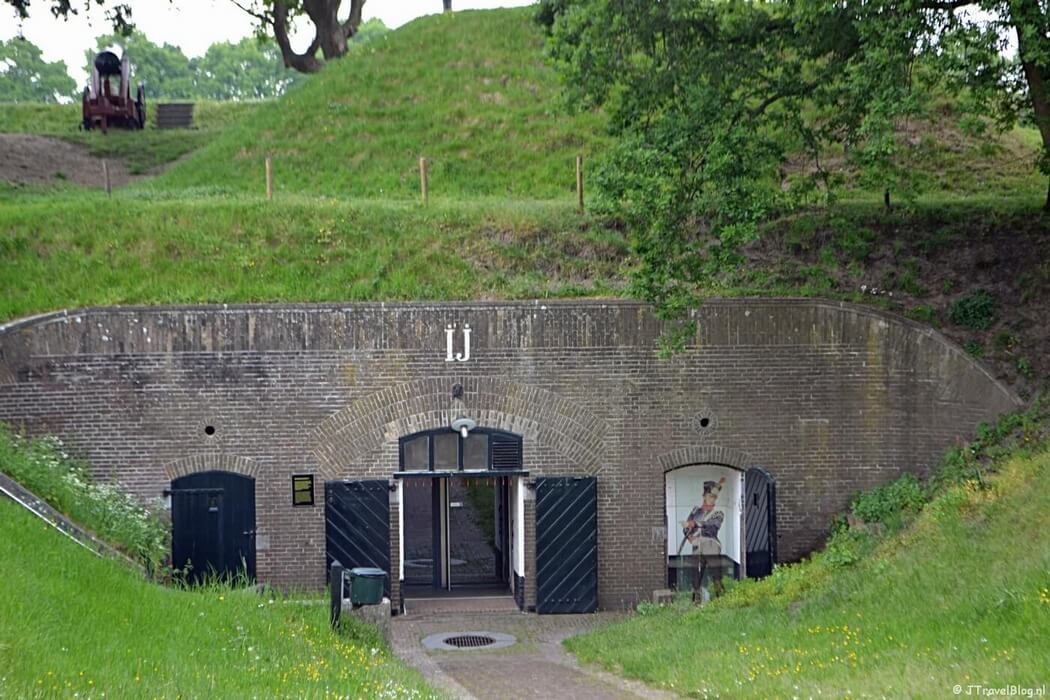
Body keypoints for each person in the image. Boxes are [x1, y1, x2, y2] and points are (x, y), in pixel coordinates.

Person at [680, 477, 726, 601]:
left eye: (714, 497)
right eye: (710, 496)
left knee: (716, 575)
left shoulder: (718, 513)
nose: (713, 499)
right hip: (697, 547)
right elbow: (686, 527)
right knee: (696, 577)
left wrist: (695, 524)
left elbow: (713, 528)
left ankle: (722, 600)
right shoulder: (696, 511)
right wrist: (690, 537)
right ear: (705, 496)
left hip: (711, 546)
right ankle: (696, 602)